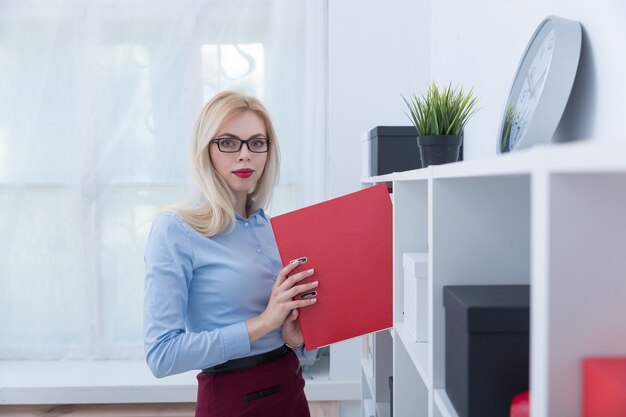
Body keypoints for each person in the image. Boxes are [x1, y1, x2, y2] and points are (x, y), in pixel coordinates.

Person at [143, 91, 318, 417]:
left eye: (256, 143)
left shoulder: (270, 226)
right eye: (228, 142)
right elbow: (161, 355)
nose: (244, 156)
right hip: (233, 401)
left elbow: (293, 333)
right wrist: (265, 322)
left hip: (292, 389)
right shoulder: (175, 229)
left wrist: (294, 338)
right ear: (205, 150)